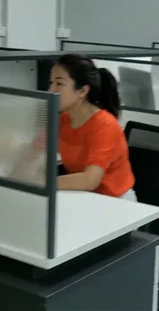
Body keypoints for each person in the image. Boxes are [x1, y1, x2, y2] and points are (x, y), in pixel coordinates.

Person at [47, 54, 137, 201]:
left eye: (59, 83)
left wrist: (43, 182)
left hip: (115, 201)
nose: (51, 90)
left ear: (82, 91)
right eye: (51, 83)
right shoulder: (62, 119)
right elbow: (33, 152)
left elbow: (90, 180)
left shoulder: (105, 125)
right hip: (84, 195)